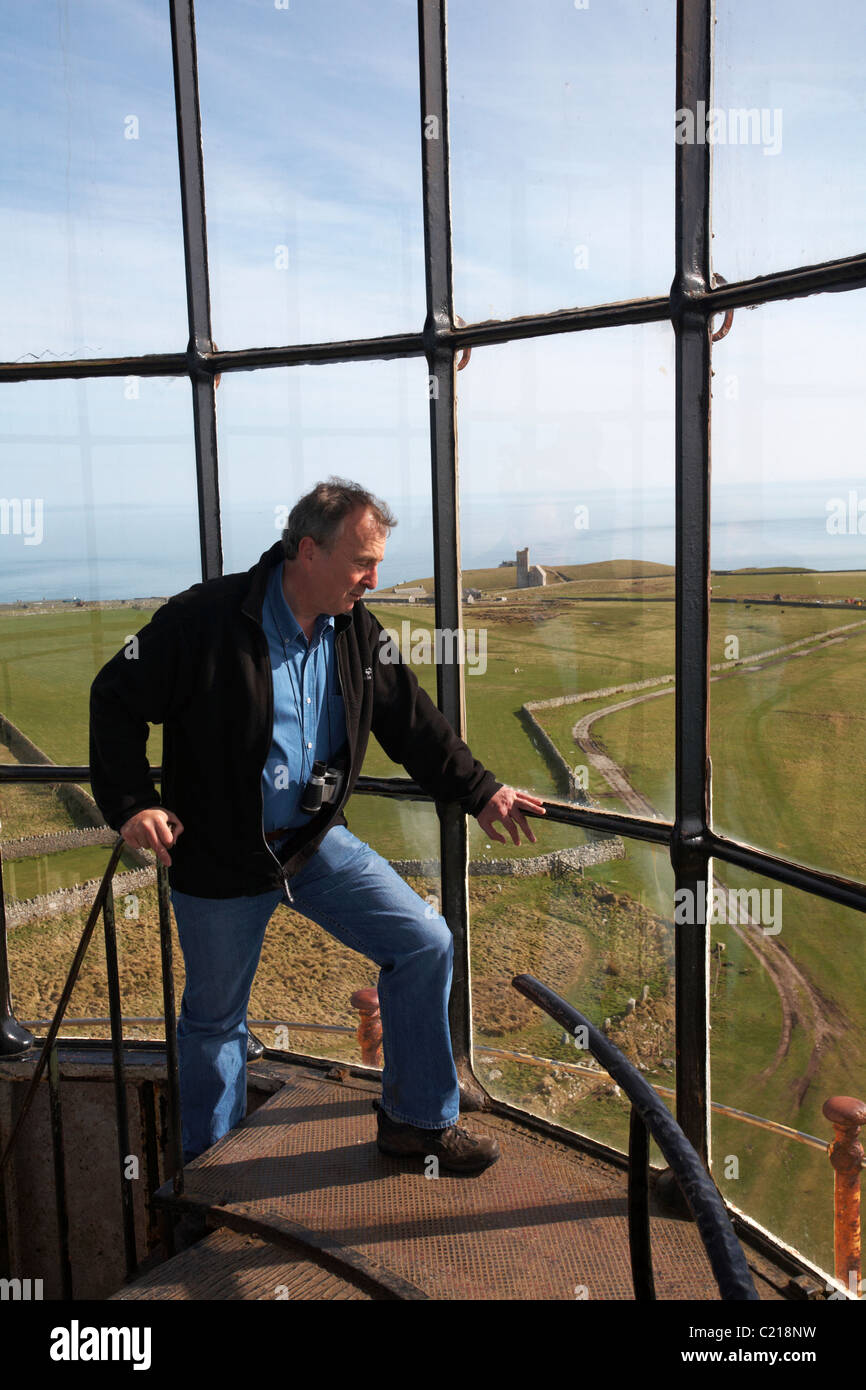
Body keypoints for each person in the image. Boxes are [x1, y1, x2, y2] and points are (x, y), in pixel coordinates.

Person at [89, 477, 544, 1174]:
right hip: (219, 858)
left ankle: (416, 1123)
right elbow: (114, 697)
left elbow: (411, 723)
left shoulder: (355, 629)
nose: (374, 578)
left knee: (424, 942)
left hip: (311, 846)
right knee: (215, 1024)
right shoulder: (203, 621)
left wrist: (480, 792)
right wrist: (130, 804)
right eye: (363, 562)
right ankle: (205, 1178)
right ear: (307, 550)